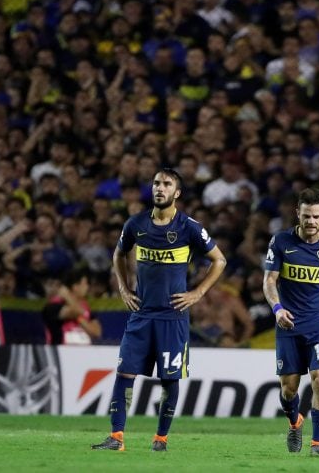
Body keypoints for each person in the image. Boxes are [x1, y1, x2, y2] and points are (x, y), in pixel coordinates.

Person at [91, 167, 227, 452]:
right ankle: (116, 438)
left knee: (169, 378)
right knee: (124, 373)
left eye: (166, 184)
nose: (159, 188)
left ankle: (161, 439)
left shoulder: (189, 227)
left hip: (172, 316)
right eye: (156, 183)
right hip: (141, 314)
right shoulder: (136, 224)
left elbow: (219, 260)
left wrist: (198, 293)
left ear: (177, 193)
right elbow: (118, 253)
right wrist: (124, 288)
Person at [263, 188, 319, 457]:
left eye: (316, 216)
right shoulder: (281, 242)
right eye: (306, 216)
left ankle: (318, 444)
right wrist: (277, 309)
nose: (311, 221)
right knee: (289, 389)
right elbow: (269, 281)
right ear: (297, 214)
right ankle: (295, 422)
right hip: (288, 324)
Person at [42, 269, 102, 345]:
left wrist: (78, 318)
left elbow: (97, 332)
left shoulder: (86, 307)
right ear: (75, 286)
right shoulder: (54, 306)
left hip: (84, 352)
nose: (87, 287)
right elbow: (78, 311)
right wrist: (67, 296)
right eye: (85, 283)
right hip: (62, 352)